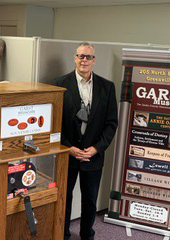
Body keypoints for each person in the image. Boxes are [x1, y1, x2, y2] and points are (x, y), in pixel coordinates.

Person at [55, 42, 118, 240]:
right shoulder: (58, 85)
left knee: (90, 200)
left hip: (93, 156)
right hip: (68, 154)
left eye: (88, 57)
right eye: (80, 56)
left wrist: (96, 149)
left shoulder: (107, 87)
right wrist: (69, 148)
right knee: (64, 199)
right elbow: (53, 124)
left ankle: (86, 235)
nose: (84, 60)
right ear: (74, 58)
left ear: (93, 60)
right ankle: (63, 234)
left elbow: (111, 123)